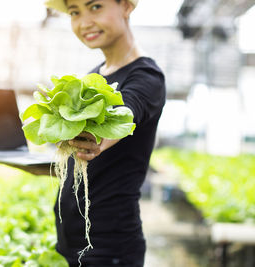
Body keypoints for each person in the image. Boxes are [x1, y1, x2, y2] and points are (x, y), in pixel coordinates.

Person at [44, 0, 166, 266]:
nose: (84, 21)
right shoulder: (94, 76)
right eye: (75, 12)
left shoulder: (146, 76)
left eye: (95, 6)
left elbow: (123, 116)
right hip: (75, 245)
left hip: (110, 249)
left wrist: (94, 140)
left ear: (126, 6)